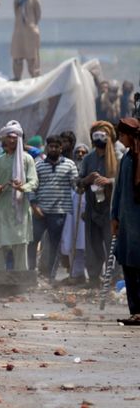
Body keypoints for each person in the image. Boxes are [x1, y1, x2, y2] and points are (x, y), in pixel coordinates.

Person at [28, 135, 78, 281]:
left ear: (61, 148)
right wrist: (34, 205)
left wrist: (85, 183)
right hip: (40, 211)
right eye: (51, 146)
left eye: (57, 147)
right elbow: (32, 187)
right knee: (32, 242)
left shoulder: (69, 165)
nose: (54, 149)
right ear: (47, 147)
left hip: (59, 212)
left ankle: (51, 275)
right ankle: (31, 273)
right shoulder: (38, 166)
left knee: (55, 245)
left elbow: (76, 184)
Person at [0, 120, 38, 271]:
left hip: (20, 208)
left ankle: (20, 284)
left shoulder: (27, 159)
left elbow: (34, 181)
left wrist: (22, 187)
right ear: (4, 138)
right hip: (1, 209)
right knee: (0, 246)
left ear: (20, 139)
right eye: (9, 137)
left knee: (20, 246)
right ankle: (1, 281)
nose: (12, 140)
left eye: (15, 137)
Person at [78, 122, 119, 287]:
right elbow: (78, 183)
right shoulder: (88, 159)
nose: (99, 139)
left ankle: (115, 278)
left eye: (102, 135)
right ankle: (94, 278)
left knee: (112, 244)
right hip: (92, 208)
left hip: (111, 209)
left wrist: (109, 181)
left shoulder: (119, 156)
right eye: (96, 135)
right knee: (92, 244)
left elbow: (125, 181)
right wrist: (86, 180)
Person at [111, 118, 140, 320]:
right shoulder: (127, 158)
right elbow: (119, 190)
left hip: (137, 223)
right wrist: (114, 216)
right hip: (126, 222)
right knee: (128, 265)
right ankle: (135, 311)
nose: (120, 140)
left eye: (122, 135)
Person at [11, 0, 42, 80]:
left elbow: (38, 15)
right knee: (17, 55)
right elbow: (16, 12)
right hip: (19, 31)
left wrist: (31, 25)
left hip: (30, 31)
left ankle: (35, 76)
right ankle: (17, 76)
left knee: (32, 56)